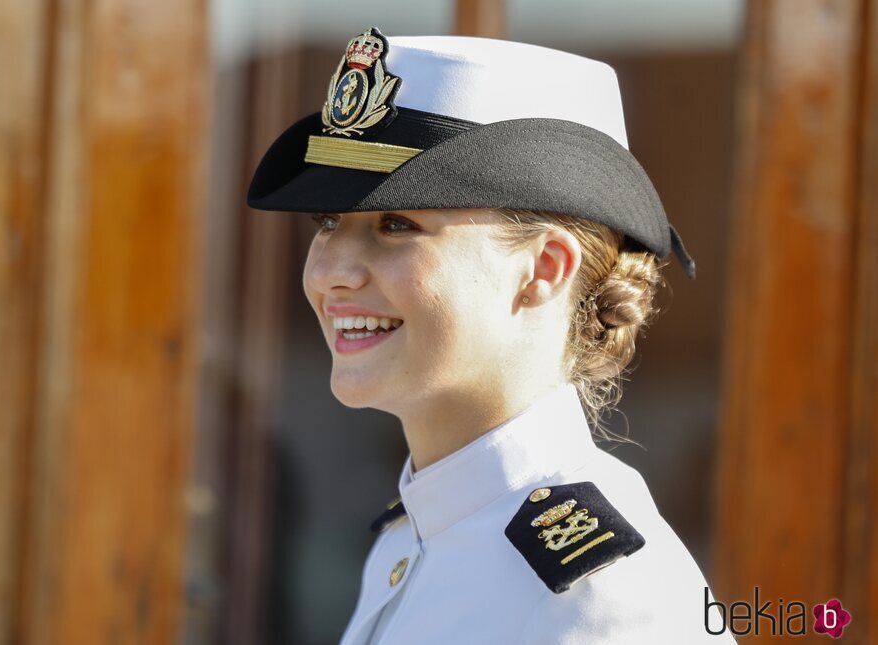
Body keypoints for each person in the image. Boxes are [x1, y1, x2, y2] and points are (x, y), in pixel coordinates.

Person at [247, 27, 737, 645]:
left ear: (543, 269)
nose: (330, 272)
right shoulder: (421, 529)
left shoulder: (599, 605)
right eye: (328, 222)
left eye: (397, 223)